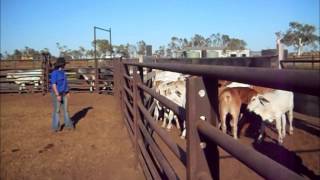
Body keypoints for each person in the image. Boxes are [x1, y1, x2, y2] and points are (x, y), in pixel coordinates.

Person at [50, 57, 74, 132]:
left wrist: (67, 92)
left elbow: (65, 83)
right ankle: (55, 127)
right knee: (57, 111)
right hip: (57, 94)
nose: (65, 65)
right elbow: (53, 84)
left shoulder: (63, 72)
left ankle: (68, 125)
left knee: (66, 110)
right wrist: (57, 95)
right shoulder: (55, 73)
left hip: (64, 93)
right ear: (62, 65)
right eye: (64, 64)